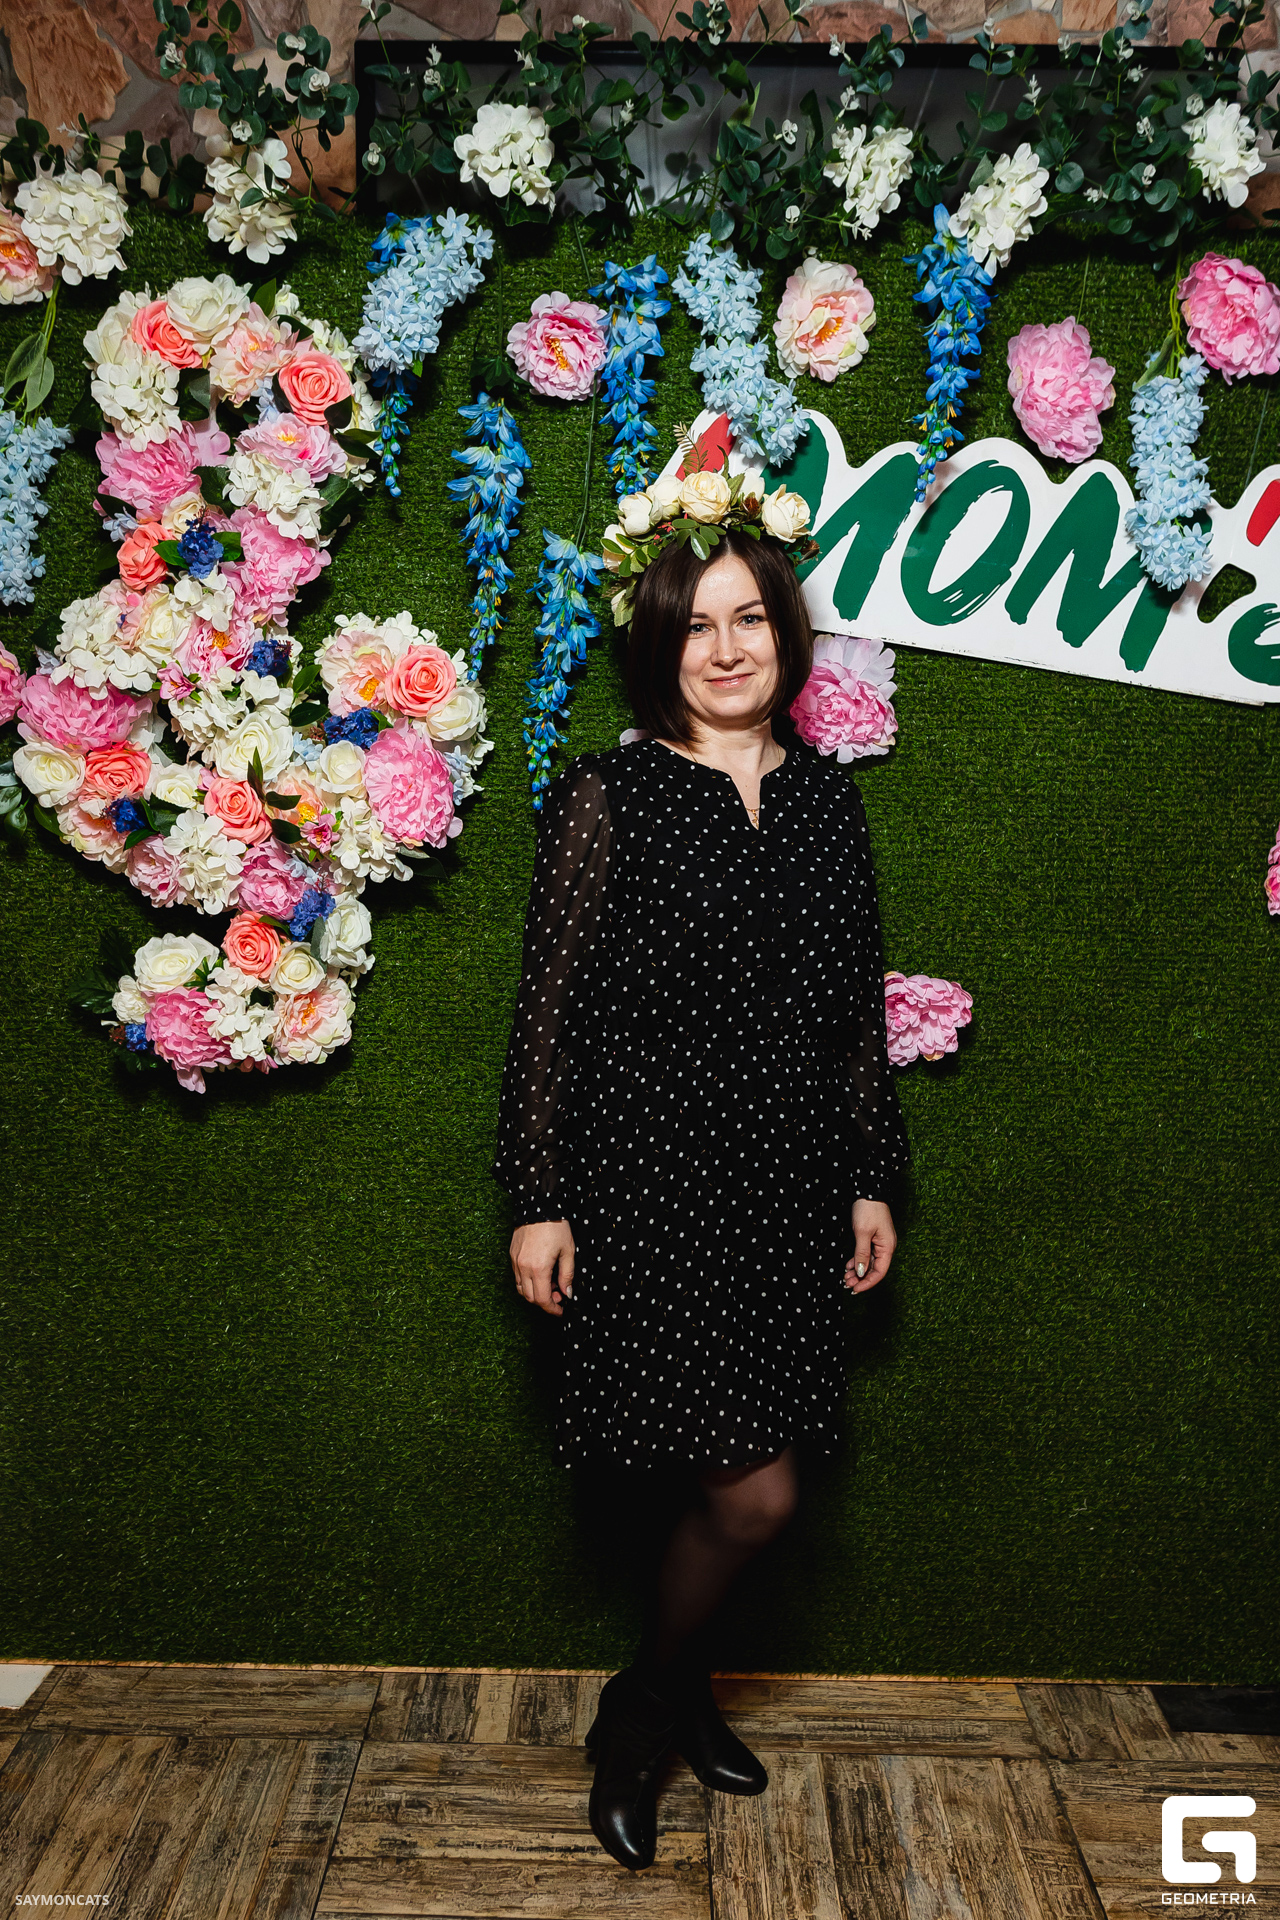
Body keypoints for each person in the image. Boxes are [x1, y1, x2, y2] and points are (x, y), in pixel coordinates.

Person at [494, 479, 909, 1872]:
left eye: (750, 620)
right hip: (649, 1183)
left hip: (789, 1184)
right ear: (657, 645)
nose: (726, 650)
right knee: (748, 1491)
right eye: (695, 626)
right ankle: (643, 1716)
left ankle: (669, 1691)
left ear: (787, 634)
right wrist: (538, 1197)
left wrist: (870, 1177)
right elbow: (548, 1009)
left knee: (739, 1475)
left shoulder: (829, 804)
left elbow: (854, 1009)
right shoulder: (607, 795)